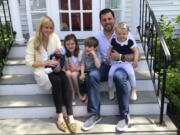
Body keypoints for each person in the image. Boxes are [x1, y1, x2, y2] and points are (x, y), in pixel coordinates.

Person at [81, 8, 139, 132]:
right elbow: (87, 49)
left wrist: (121, 57)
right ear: (100, 22)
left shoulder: (124, 33)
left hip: (122, 65)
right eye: (104, 20)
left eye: (109, 19)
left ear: (114, 19)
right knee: (92, 75)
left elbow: (135, 55)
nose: (107, 22)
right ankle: (94, 114)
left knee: (119, 76)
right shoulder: (96, 36)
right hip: (104, 65)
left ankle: (124, 115)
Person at [25, 16, 77, 133]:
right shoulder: (33, 40)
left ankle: (70, 116)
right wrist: (45, 62)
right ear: (40, 27)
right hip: (41, 69)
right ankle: (59, 115)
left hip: (54, 66)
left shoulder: (54, 37)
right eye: (46, 27)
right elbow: (29, 62)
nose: (48, 30)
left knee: (64, 79)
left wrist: (59, 65)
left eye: (51, 28)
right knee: (57, 81)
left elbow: (61, 53)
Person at [106, 22, 139, 101]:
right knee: (110, 74)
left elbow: (136, 51)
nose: (121, 36)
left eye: (124, 34)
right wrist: (107, 57)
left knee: (131, 73)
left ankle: (133, 89)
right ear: (116, 33)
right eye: (119, 34)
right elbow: (109, 49)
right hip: (115, 63)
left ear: (127, 33)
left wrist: (135, 61)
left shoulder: (129, 41)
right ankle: (110, 89)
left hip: (125, 63)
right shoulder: (114, 40)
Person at [80, 37, 101, 104]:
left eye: (89, 47)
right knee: (82, 79)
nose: (87, 48)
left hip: (94, 71)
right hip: (86, 70)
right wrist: (82, 73)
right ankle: (84, 93)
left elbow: (98, 66)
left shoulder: (97, 54)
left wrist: (94, 55)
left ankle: (89, 96)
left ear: (94, 48)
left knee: (89, 79)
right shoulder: (84, 53)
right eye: (86, 46)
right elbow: (82, 64)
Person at [64, 34, 83, 101]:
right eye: (68, 44)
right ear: (65, 45)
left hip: (79, 71)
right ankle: (72, 91)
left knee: (74, 74)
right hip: (71, 70)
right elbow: (66, 67)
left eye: (72, 44)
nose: (70, 46)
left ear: (76, 44)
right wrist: (69, 68)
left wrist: (76, 69)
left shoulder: (80, 53)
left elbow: (82, 66)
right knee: (68, 73)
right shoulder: (66, 54)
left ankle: (78, 92)